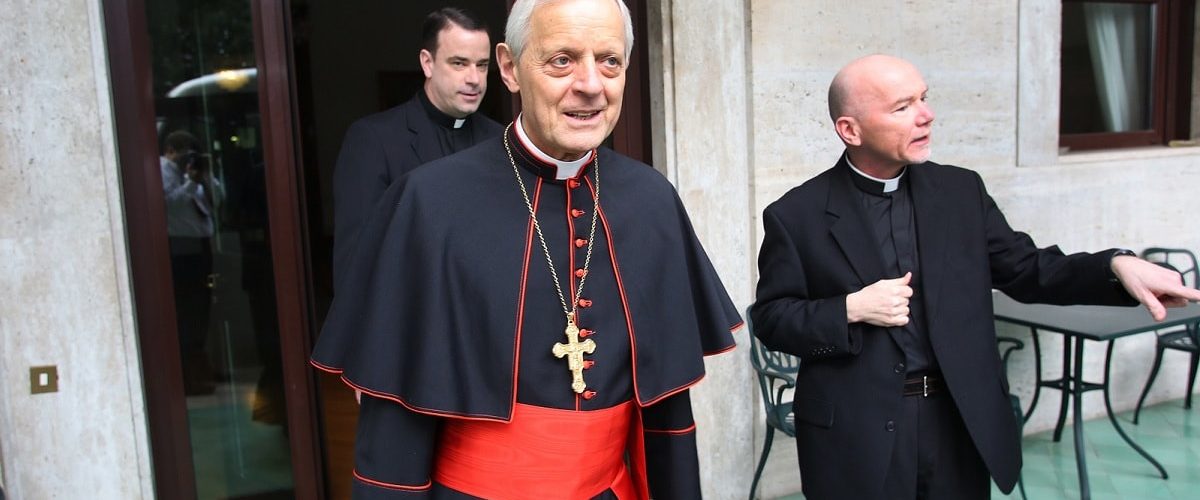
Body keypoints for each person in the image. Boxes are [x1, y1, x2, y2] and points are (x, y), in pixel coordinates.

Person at [311, 0, 742, 498]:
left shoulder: (652, 201)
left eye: (609, 61)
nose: (591, 84)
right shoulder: (428, 204)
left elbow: (668, 417)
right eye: (562, 60)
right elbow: (393, 444)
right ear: (510, 68)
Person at [750, 54, 1200, 500]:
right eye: (902, 107)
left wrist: (1115, 266)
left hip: (958, 422)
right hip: (856, 433)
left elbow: (1028, 270)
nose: (926, 115)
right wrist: (850, 309)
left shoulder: (960, 191)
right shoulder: (796, 215)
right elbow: (772, 319)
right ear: (851, 130)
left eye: (923, 98)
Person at [332, 7, 502, 288]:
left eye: (481, 65)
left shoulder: (501, 140)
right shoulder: (373, 139)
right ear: (427, 63)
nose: (474, 78)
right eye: (459, 63)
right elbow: (357, 263)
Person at [160, 129, 224, 396]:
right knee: (186, 310)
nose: (188, 160)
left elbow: (217, 200)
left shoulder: (195, 174)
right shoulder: (161, 171)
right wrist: (189, 182)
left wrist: (205, 176)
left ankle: (200, 366)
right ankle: (188, 373)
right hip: (178, 249)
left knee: (202, 308)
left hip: (201, 247)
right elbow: (167, 205)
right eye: (185, 155)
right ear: (170, 151)